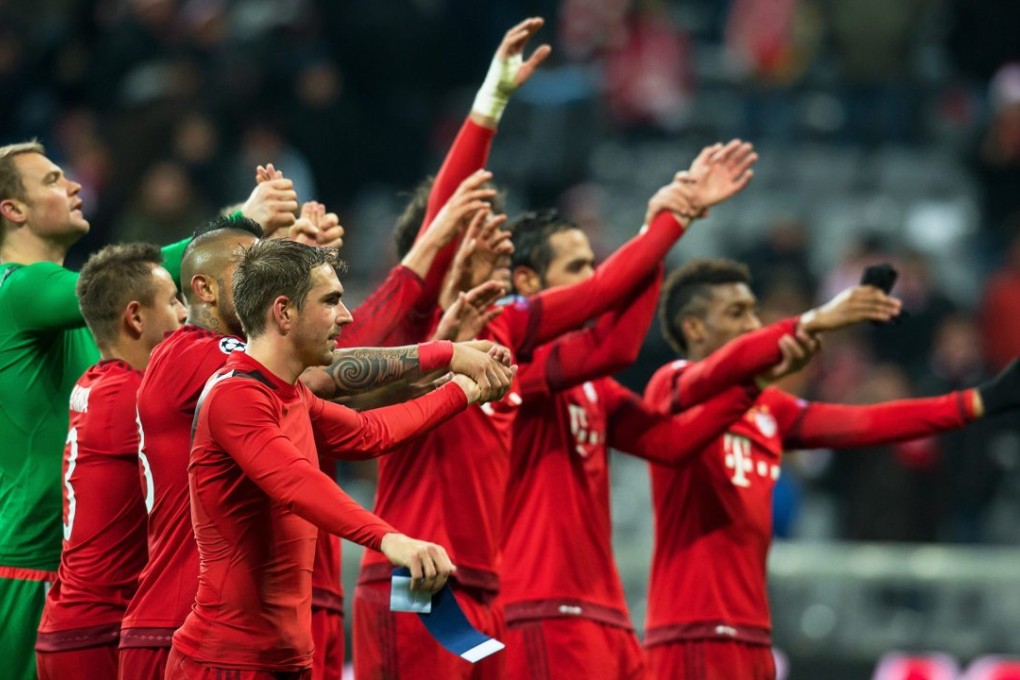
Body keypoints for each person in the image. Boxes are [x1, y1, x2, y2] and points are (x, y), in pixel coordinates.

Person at [353, 139, 758, 680]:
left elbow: (616, 338)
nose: (498, 246)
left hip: (483, 586)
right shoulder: (412, 342)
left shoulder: (508, 342)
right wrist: (491, 101)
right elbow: (343, 410)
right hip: (420, 580)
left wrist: (663, 229)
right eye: (481, 236)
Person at [119, 214, 508, 679]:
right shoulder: (231, 391)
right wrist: (391, 538)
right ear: (283, 312)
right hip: (223, 661)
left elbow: (368, 433)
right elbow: (295, 483)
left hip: (286, 659)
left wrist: (463, 391)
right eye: (332, 301)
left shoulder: (288, 393)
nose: (346, 317)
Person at [643, 258, 1020, 680]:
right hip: (691, 634)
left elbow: (866, 422)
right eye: (736, 313)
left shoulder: (767, 409)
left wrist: (976, 402)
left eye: (753, 311)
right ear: (693, 328)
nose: (753, 324)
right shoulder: (670, 387)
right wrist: (817, 320)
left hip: (751, 636)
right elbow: (713, 379)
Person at [499, 209, 810, 679]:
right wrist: (666, 225)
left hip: (607, 614)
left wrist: (750, 386)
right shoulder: (509, 363)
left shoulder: (593, 386)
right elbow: (616, 347)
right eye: (578, 268)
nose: (594, 280)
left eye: (594, 265)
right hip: (545, 607)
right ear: (526, 280)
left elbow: (668, 441)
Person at [0, 141, 192, 680]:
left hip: (80, 575)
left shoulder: (71, 319)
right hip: (29, 565)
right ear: (12, 210)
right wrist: (239, 224)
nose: (74, 185)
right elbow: (134, 284)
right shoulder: (21, 286)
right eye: (53, 179)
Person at [34, 243, 187, 679]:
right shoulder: (133, 399)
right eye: (174, 300)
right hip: (97, 632)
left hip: (76, 624)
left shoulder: (96, 382)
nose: (184, 315)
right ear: (136, 317)